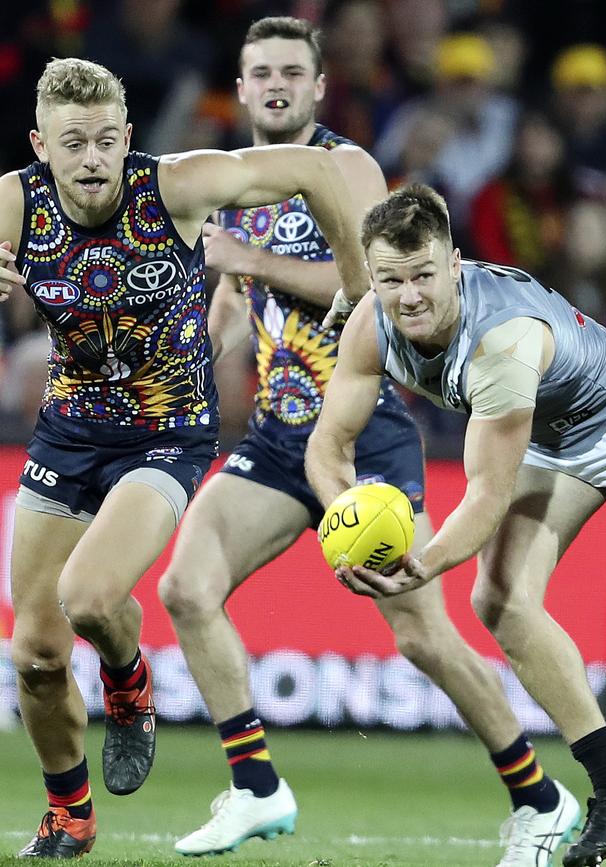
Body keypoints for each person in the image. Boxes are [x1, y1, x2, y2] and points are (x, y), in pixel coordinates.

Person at [159, 18, 580, 867]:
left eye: (292, 71)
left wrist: (251, 258)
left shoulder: (346, 167)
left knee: (423, 637)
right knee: (186, 586)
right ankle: (255, 786)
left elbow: (369, 293)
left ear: (319, 88)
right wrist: (200, 348)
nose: (275, 84)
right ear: (239, 90)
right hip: (280, 435)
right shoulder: (246, 184)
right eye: (259, 72)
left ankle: (544, 796)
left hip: (360, 435)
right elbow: (240, 308)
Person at [0, 56, 370, 859]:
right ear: (41, 146)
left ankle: (129, 683)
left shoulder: (175, 185)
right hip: (68, 430)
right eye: (73, 143)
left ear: (129, 137)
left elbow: (315, 166)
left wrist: (356, 281)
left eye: (106, 140)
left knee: (91, 598)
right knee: (33, 652)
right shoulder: (12, 202)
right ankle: (70, 814)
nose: (93, 158)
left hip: (167, 430)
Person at [304, 182, 606, 867]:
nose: (408, 296)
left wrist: (419, 563)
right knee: (500, 600)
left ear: (454, 263)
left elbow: (486, 496)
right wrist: (345, 514)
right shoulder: (371, 321)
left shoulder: (501, 343)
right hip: (555, 438)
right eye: (391, 279)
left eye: (424, 275)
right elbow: (327, 446)